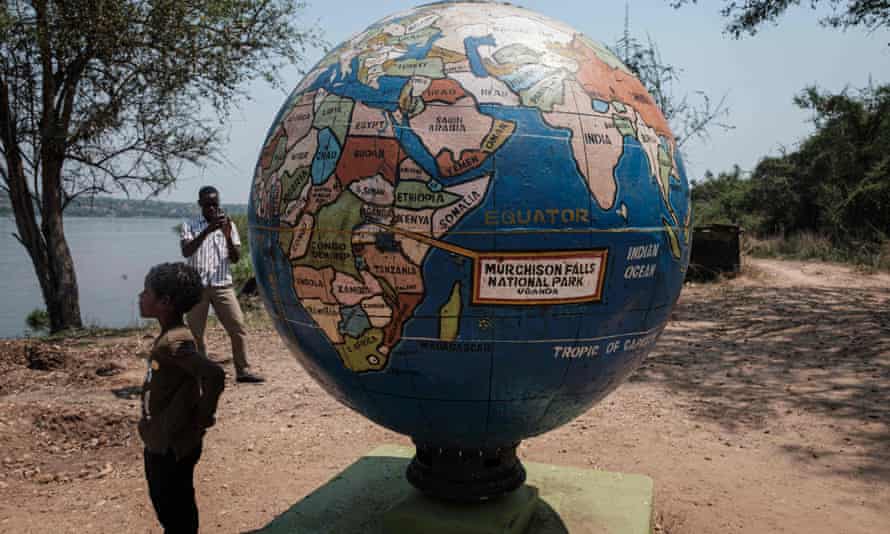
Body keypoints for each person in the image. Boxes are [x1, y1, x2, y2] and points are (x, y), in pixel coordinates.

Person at [138, 262, 226, 534]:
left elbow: (214, 374)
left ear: (165, 302)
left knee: (175, 511)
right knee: (174, 507)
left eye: (146, 292)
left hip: (171, 446)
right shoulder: (171, 335)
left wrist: (203, 417)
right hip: (163, 439)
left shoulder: (175, 341)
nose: (141, 296)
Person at [181, 185, 265, 383]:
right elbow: (186, 251)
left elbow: (235, 258)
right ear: (200, 204)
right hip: (197, 288)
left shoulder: (229, 225)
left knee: (238, 327)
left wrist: (227, 235)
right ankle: (200, 373)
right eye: (207, 204)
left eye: (215, 204)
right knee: (196, 334)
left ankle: (243, 371)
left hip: (222, 286)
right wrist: (208, 230)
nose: (212, 208)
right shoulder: (189, 225)